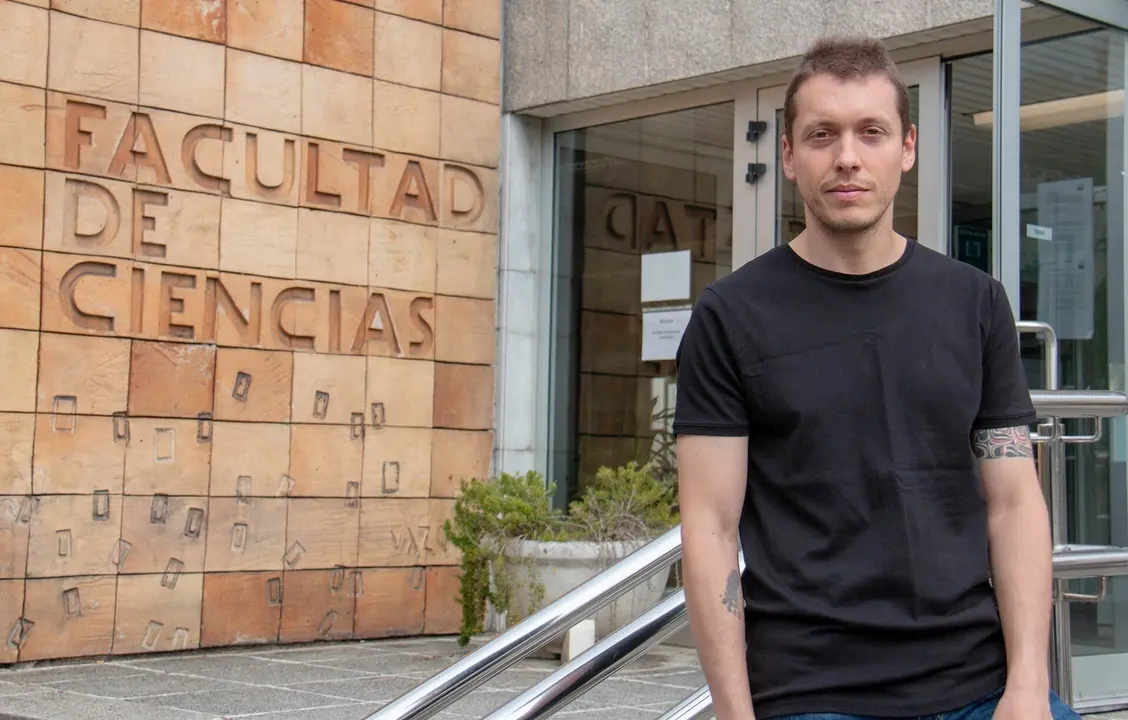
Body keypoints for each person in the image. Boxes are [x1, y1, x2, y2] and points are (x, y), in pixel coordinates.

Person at [672, 36, 1078, 720]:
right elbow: (709, 527)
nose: (848, 157)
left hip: (978, 684)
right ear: (790, 156)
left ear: (908, 148)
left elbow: (1013, 502)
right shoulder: (730, 317)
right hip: (811, 693)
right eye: (822, 134)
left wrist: (1029, 686)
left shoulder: (975, 303)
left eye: (871, 132)